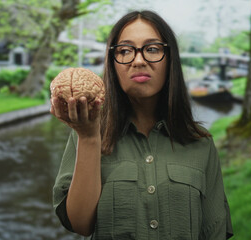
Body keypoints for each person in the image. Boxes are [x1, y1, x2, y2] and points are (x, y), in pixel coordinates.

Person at [52, 10, 233, 239]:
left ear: (170, 60)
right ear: (112, 63)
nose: (138, 60)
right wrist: (88, 138)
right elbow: (81, 224)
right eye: (125, 51)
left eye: (152, 49)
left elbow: (214, 232)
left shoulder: (201, 144)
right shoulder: (88, 132)